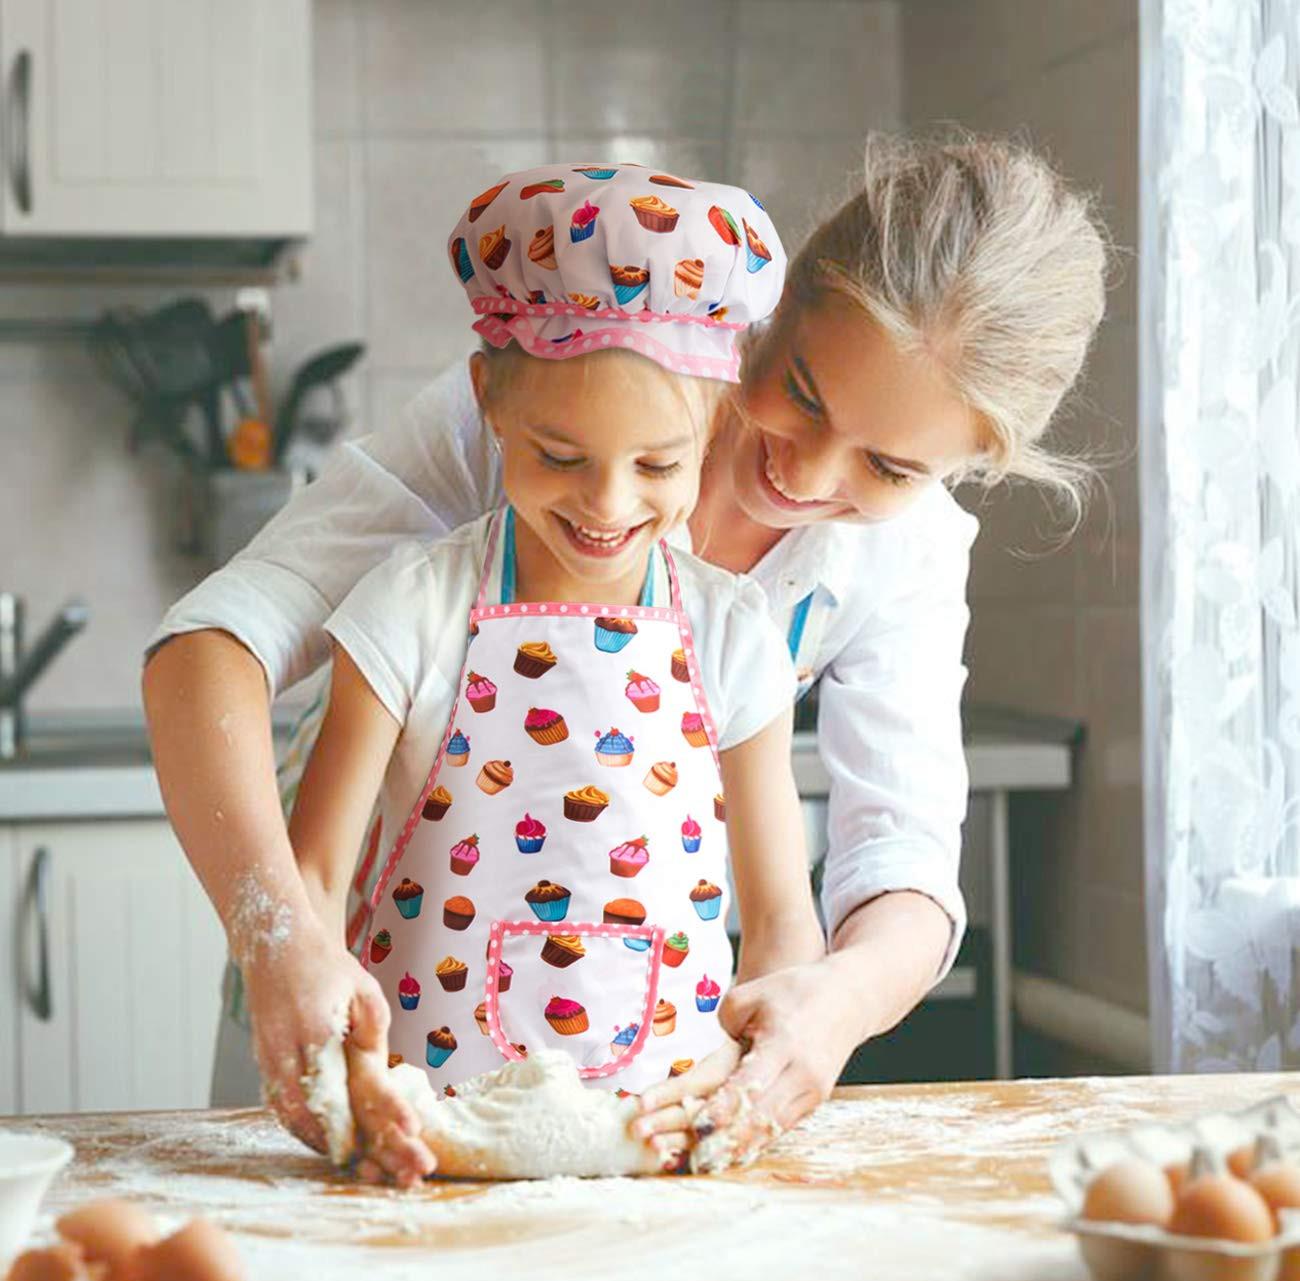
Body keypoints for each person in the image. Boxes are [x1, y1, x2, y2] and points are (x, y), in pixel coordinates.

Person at [144, 132, 1108, 1177]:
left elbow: (902, 856)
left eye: (886, 465)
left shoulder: (902, 555)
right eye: (803, 389)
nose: (803, 469)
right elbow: (214, 646)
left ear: (962, 467)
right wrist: (285, 937)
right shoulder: (566, 383)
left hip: (646, 1080)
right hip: (371, 1027)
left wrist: (831, 1007)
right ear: (773, 311)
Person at [283, 165, 823, 1181]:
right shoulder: (408, 610)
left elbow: (781, 910)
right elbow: (309, 881)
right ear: (489, 398)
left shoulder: (733, 635)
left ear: (712, 429)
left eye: (658, 466)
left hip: (665, 1147)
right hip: (428, 1141)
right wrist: (347, 1069)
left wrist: (757, 1076)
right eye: (560, 454)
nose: (608, 503)